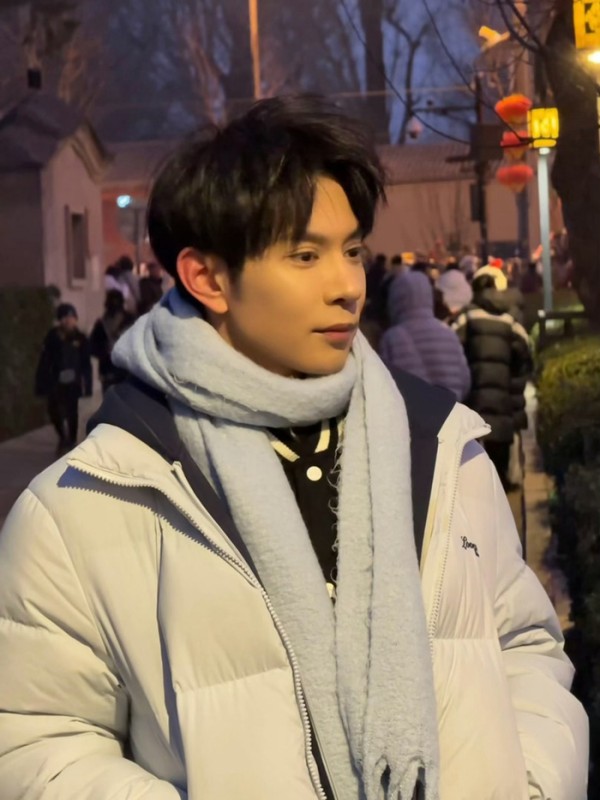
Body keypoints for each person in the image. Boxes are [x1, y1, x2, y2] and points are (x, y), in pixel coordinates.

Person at [0, 96, 587, 800]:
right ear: (207, 278)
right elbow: (36, 742)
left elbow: (524, 645)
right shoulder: (93, 498)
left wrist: (532, 784)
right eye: (306, 256)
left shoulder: (439, 446)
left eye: (352, 251)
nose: (347, 287)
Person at [453, 272, 533, 488]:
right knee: (499, 437)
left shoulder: (467, 317)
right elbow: (524, 351)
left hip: (475, 389)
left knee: (474, 441)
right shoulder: (509, 319)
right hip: (502, 391)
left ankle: (479, 488)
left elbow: (452, 344)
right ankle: (501, 484)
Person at [379, 270, 471, 401]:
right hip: (451, 408)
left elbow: (384, 385)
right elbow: (465, 380)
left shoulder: (392, 338)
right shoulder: (448, 333)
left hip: (412, 411)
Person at [34, 302, 92, 453]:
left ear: (75, 319)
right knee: (53, 410)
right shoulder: (52, 337)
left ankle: (71, 440)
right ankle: (62, 437)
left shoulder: (81, 338)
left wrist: (88, 384)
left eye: (71, 317)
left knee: (72, 412)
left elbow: (86, 363)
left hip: (73, 381)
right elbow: (45, 360)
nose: (68, 321)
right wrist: (41, 383)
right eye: (64, 318)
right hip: (55, 380)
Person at [89, 290, 136, 394]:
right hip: (108, 369)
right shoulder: (101, 324)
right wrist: (105, 350)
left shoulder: (130, 321)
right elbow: (92, 347)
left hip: (126, 370)